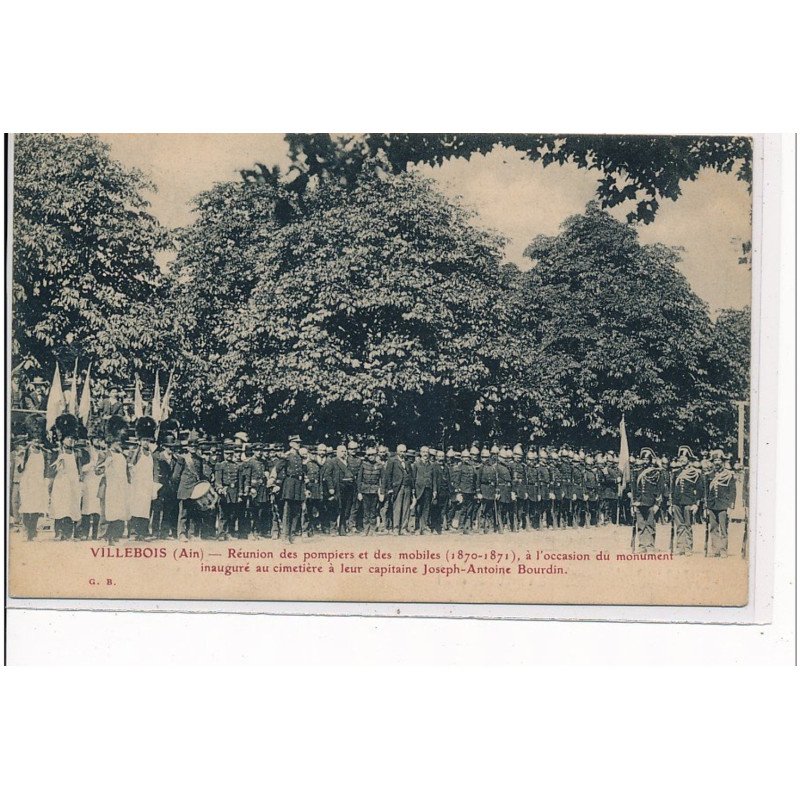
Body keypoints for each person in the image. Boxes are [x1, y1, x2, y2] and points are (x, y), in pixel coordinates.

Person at [48, 413, 86, 540]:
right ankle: (58, 532)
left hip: (73, 483)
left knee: (71, 507)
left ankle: (69, 533)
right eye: (68, 438)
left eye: (72, 438)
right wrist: (57, 464)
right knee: (60, 507)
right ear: (62, 438)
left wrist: (80, 481)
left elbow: (79, 468)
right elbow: (51, 470)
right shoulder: (57, 452)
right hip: (61, 483)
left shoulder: (77, 453)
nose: (71, 440)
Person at [98, 415, 130, 544]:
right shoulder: (105, 454)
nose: (120, 445)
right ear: (112, 442)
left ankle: (116, 534)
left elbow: (126, 472)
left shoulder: (123, 456)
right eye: (118, 443)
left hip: (120, 488)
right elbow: (97, 471)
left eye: (121, 443)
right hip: (108, 487)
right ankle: (104, 535)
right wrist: (105, 465)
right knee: (107, 511)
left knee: (119, 511)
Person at [18, 416, 50, 540]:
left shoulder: (43, 452)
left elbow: (46, 468)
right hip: (27, 482)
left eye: (38, 440)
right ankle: (26, 530)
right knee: (27, 506)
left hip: (38, 483)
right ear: (30, 440)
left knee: (37, 506)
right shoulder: (26, 452)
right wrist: (21, 459)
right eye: (34, 440)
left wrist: (45, 479)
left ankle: (33, 531)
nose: (36, 442)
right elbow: (20, 469)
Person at [128, 416, 159, 541]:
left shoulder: (152, 454)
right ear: (139, 440)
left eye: (148, 440)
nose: (146, 443)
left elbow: (155, 470)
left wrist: (155, 486)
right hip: (137, 485)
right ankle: (134, 532)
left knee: (146, 510)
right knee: (135, 508)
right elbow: (130, 467)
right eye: (144, 440)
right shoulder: (134, 452)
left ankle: (143, 532)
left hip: (147, 486)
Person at [632, 448, 665, 552]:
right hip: (639, 502)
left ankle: (650, 545)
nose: (645, 461)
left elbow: (659, 489)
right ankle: (642, 545)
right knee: (641, 525)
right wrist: (633, 504)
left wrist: (657, 504)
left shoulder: (656, 472)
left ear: (650, 460)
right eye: (643, 459)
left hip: (651, 502)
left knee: (650, 525)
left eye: (647, 459)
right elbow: (634, 490)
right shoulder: (637, 472)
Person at [670, 446, 702, 556]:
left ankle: (688, 547)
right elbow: (672, 489)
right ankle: (680, 547)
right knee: (679, 526)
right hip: (677, 502)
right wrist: (671, 504)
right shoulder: (676, 472)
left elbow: (699, 489)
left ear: (688, 459)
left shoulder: (695, 473)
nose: (682, 459)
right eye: (680, 457)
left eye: (684, 457)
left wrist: (696, 503)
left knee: (688, 526)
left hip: (689, 502)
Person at [706, 449, 737, 557]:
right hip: (711, 505)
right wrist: (706, 507)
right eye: (715, 460)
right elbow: (707, 492)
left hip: (723, 505)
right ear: (713, 462)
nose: (717, 462)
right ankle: (716, 550)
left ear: (722, 462)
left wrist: (730, 506)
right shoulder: (709, 475)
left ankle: (723, 550)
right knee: (713, 528)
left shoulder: (728, 475)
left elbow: (732, 491)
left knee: (723, 529)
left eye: (719, 460)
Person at [275, 435, 305, 543]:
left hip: (298, 484)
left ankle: (292, 535)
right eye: (296, 442)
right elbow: (278, 468)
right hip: (289, 484)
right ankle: (285, 536)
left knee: (296, 511)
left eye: (299, 442)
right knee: (287, 511)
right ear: (291, 444)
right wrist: (277, 482)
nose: (298, 444)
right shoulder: (287, 456)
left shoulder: (299, 457)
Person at [173, 432, 203, 541]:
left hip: (195, 490)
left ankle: (192, 534)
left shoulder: (200, 459)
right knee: (184, 513)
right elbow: (175, 476)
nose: (193, 448)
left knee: (194, 512)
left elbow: (201, 475)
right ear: (188, 447)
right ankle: (181, 534)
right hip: (185, 489)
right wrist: (179, 488)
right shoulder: (182, 458)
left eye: (195, 446)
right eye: (191, 446)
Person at [381, 444, 413, 535]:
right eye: (401, 451)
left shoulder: (407, 461)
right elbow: (388, 476)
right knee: (397, 508)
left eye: (404, 451)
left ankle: (403, 528)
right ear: (397, 451)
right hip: (397, 488)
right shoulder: (392, 460)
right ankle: (396, 528)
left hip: (407, 487)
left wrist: (412, 488)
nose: (403, 453)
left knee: (406, 508)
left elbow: (411, 475)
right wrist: (389, 488)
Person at [80, 431, 105, 540]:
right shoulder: (85, 452)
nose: (98, 441)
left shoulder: (103, 453)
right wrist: (91, 465)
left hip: (98, 481)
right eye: (96, 439)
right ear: (91, 440)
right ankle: (84, 533)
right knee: (86, 508)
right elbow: (81, 468)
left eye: (100, 439)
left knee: (97, 508)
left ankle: (95, 534)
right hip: (88, 482)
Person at [215, 442, 242, 539]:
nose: (229, 456)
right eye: (227, 453)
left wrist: (239, 494)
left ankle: (229, 532)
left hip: (234, 491)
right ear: (223, 454)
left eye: (231, 453)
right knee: (223, 513)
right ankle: (221, 533)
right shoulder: (220, 465)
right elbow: (218, 480)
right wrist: (220, 489)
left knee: (233, 513)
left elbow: (239, 482)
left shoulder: (237, 466)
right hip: (225, 491)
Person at [410, 446, 437, 535]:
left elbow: (434, 479)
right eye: (424, 452)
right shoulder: (416, 464)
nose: (425, 454)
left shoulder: (432, 465)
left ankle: (424, 528)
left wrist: (434, 490)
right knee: (418, 509)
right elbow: (413, 478)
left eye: (427, 452)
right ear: (420, 453)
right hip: (418, 489)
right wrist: (413, 489)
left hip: (428, 489)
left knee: (426, 509)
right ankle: (417, 528)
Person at [356, 446, 383, 536]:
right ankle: (365, 529)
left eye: (372, 454)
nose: (371, 456)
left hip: (375, 491)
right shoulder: (363, 465)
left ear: (376, 455)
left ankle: (373, 529)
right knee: (365, 511)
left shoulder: (379, 465)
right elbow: (359, 479)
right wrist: (359, 492)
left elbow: (383, 480)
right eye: (369, 455)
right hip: (365, 490)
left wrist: (381, 492)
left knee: (373, 511)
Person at [304, 445, 326, 536]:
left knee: (318, 509)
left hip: (317, 489)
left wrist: (321, 491)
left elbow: (320, 479)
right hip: (310, 489)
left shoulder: (318, 465)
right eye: (311, 454)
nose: (313, 456)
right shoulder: (305, 464)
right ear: (308, 454)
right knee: (308, 510)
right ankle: (308, 529)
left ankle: (317, 527)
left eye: (314, 454)